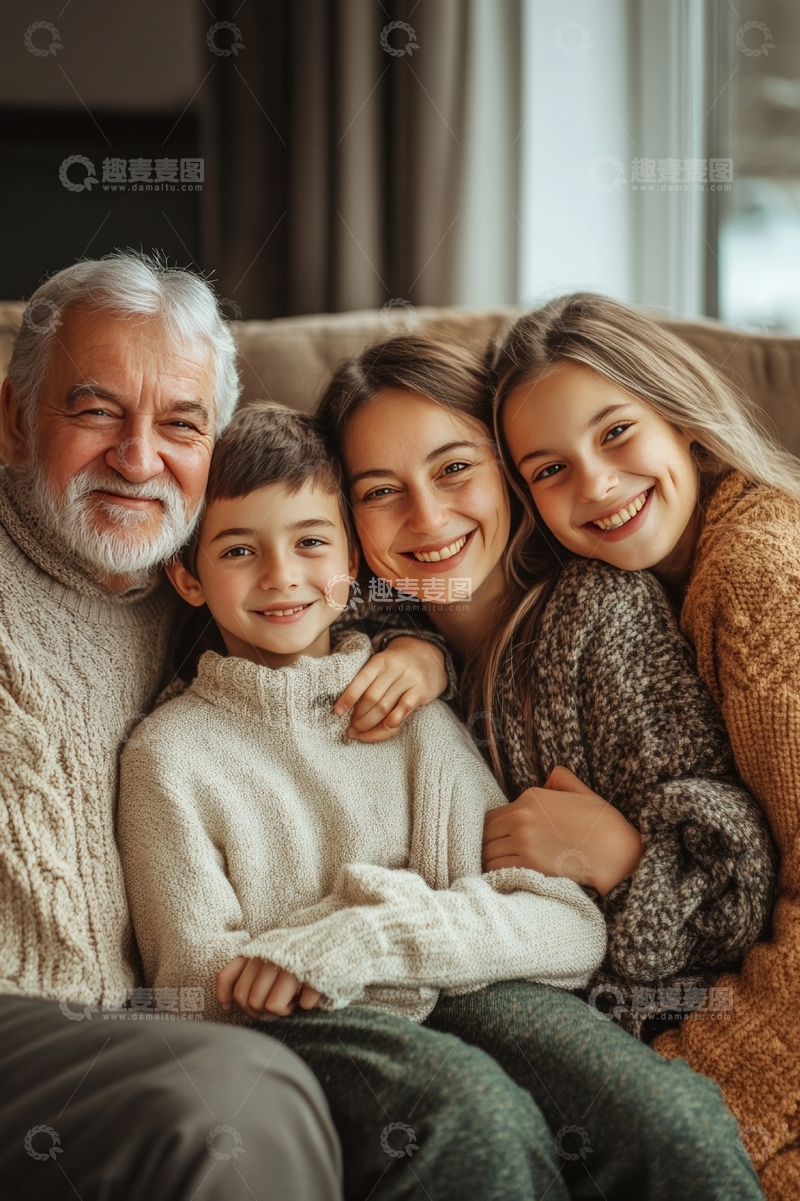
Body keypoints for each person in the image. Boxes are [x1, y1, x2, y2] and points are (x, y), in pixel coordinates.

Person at [118, 400, 765, 1201]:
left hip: (474, 988)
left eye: (310, 542)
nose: (281, 575)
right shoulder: (168, 756)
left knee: (676, 1115)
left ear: (352, 563)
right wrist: (325, 961)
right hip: (312, 1027)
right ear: (187, 575)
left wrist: (376, 935)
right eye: (239, 549)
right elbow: (194, 989)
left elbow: (567, 924)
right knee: (475, 1115)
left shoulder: (407, 715)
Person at [0, 249, 435, 1201]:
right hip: (26, 1018)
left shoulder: (186, 578)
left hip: (134, 1031)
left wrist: (419, 650)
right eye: (96, 409)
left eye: (181, 424)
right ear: (15, 421)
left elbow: (327, 579)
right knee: (243, 1099)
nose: (139, 456)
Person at [317, 333, 775, 1039]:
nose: (428, 516)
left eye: (455, 468)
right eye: (380, 490)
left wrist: (618, 858)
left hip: (629, 1025)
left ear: (510, 475)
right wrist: (417, 642)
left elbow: (735, 894)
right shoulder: (358, 630)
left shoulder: (600, 616)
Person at [491, 291, 800, 1199]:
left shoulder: (759, 575)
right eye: (549, 469)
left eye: (617, 431)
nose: (594, 484)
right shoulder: (626, 594)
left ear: (686, 424)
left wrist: (679, 1103)